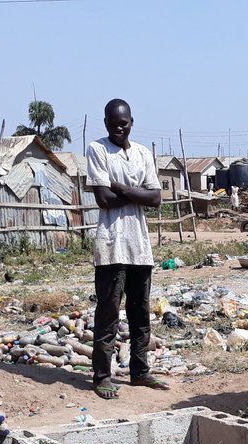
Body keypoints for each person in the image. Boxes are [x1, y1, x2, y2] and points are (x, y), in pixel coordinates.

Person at [84, 99, 169, 400]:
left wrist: (121, 188)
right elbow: (103, 199)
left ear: (132, 122)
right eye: (113, 123)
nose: (119, 128)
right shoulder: (97, 150)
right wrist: (137, 194)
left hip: (139, 246)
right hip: (111, 245)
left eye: (124, 123)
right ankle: (102, 376)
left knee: (140, 311)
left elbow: (156, 198)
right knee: (108, 311)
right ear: (106, 123)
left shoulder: (143, 153)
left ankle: (140, 371)